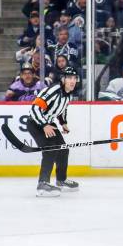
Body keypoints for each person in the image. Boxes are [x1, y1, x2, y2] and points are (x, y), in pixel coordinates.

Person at [27, 67, 80, 197]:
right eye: (69, 78)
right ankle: (43, 183)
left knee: (63, 149)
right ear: (63, 79)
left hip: (48, 123)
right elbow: (35, 109)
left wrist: (63, 123)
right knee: (51, 148)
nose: (72, 81)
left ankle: (61, 180)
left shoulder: (68, 93)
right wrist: (44, 124)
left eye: (74, 78)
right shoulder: (54, 90)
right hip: (36, 123)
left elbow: (62, 109)